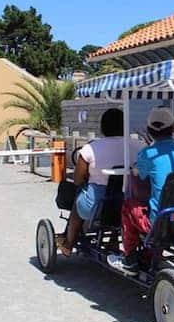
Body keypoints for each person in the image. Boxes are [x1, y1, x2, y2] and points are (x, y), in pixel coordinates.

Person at [108, 107, 174, 275]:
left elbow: (138, 173)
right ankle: (151, 254)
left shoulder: (148, 153)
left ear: (149, 130)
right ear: (173, 128)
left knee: (129, 206)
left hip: (159, 223)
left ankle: (130, 258)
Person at [56, 108, 144, 255]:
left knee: (78, 201)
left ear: (103, 127)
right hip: (128, 201)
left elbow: (77, 179)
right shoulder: (138, 146)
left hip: (98, 206)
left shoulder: (91, 148)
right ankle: (113, 241)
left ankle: (69, 243)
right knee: (117, 197)